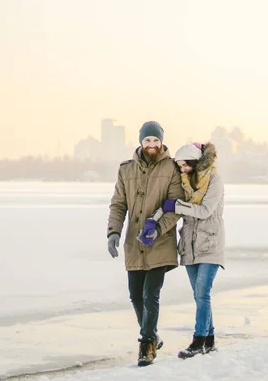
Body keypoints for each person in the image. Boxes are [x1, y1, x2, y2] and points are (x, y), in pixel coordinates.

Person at [106, 121, 184, 367]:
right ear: (141, 142)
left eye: (156, 141)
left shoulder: (172, 168)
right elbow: (118, 204)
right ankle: (153, 335)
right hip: (134, 242)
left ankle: (147, 344)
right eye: (148, 141)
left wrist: (159, 228)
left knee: (151, 294)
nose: (152, 145)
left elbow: (176, 205)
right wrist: (113, 232)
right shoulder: (126, 170)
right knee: (134, 295)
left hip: (159, 242)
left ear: (162, 142)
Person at [159, 142, 225, 359]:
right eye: (179, 166)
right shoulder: (184, 182)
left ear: (195, 162)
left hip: (210, 244)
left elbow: (205, 211)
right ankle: (210, 340)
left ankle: (198, 341)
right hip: (189, 245)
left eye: (185, 165)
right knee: (199, 296)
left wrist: (177, 206)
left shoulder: (214, 181)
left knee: (202, 293)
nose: (182, 170)